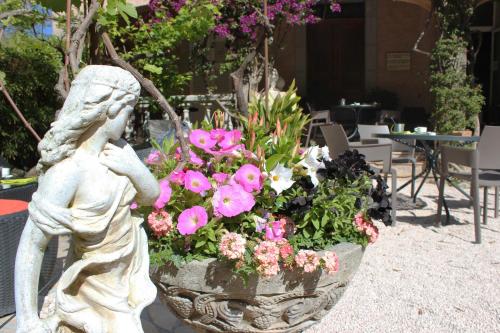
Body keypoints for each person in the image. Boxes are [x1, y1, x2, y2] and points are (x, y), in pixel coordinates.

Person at [15, 65, 160, 333]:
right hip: (91, 284)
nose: (129, 120)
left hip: (124, 278)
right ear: (110, 108)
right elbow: (32, 245)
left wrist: (137, 170)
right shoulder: (68, 171)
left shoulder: (121, 152)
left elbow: (151, 196)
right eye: (128, 110)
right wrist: (27, 320)